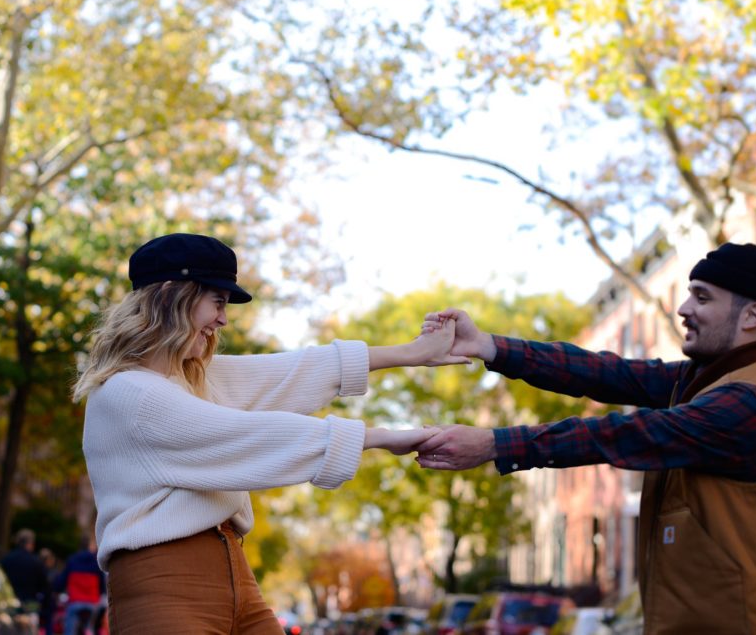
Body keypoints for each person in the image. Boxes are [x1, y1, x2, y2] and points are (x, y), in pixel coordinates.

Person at [72, 233, 465, 635]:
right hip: (164, 587)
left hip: (238, 579)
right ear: (174, 295)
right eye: (218, 302)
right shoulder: (128, 394)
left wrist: (413, 353)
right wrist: (382, 438)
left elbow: (293, 371)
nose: (223, 319)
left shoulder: (189, 379)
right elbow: (245, 434)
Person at [416, 242, 756, 634]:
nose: (684, 309)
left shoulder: (750, 405)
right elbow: (603, 372)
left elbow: (628, 434)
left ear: (753, 316)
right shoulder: (701, 382)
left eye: (702, 298)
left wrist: (494, 444)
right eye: (688, 294)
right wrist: (487, 346)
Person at [53, 537, 105, 635]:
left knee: (69, 630)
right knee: (90, 627)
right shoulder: (96, 561)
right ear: (90, 546)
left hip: (75, 602)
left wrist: (56, 589)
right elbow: (102, 585)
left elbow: (61, 582)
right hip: (92, 603)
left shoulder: (72, 560)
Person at [0, 529, 51, 616]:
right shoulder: (36, 562)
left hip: (10, 604)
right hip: (30, 605)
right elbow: (45, 588)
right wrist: (44, 607)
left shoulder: (6, 559)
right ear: (30, 543)